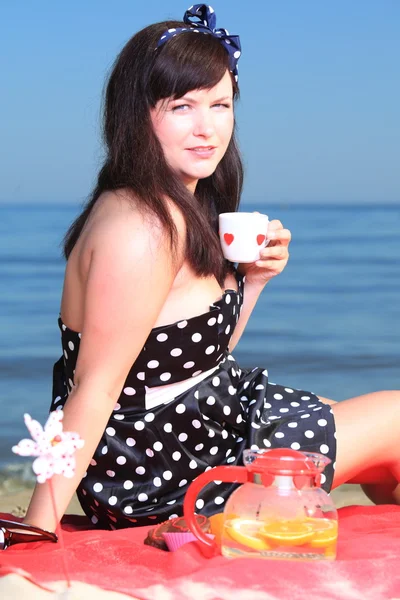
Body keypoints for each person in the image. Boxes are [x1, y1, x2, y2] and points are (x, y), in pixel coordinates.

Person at [4, 4, 400, 545]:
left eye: (220, 104)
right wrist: (37, 530)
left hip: (200, 420)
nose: (206, 127)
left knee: (375, 448)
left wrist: (253, 280)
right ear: (138, 113)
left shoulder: (174, 204)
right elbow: (93, 390)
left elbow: (193, 356)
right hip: (160, 470)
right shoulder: (140, 228)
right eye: (182, 106)